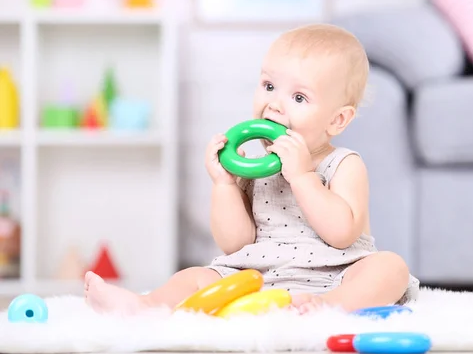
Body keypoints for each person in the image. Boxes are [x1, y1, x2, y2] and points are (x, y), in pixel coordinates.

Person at [84, 23, 419, 315]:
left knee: (390, 268)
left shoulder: (344, 164)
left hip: (332, 276)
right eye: (269, 86)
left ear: (337, 119)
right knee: (194, 276)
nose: (274, 103)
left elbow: (342, 233)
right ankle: (143, 307)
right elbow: (236, 242)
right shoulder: (253, 167)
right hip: (254, 275)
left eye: (299, 98)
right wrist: (225, 185)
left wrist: (303, 178)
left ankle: (330, 308)